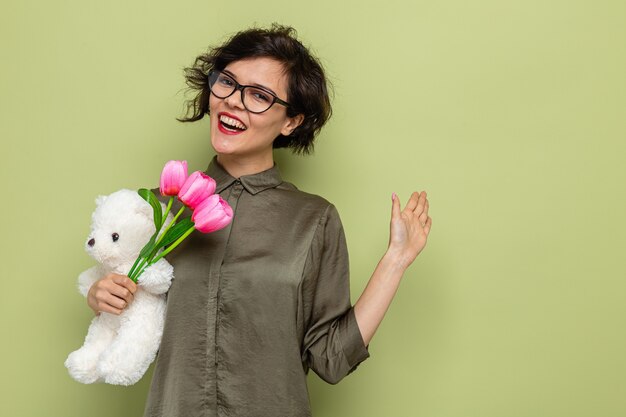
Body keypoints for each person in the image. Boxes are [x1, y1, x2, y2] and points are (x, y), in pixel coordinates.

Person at [86, 24, 432, 417]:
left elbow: (331, 358)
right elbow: (135, 312)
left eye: (259, 96)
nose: (234, 101)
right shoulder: (160, 212)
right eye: (228, 83)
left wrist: (395, 261)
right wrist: (100, 296)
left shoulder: (313, 221)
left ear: (291, 121)